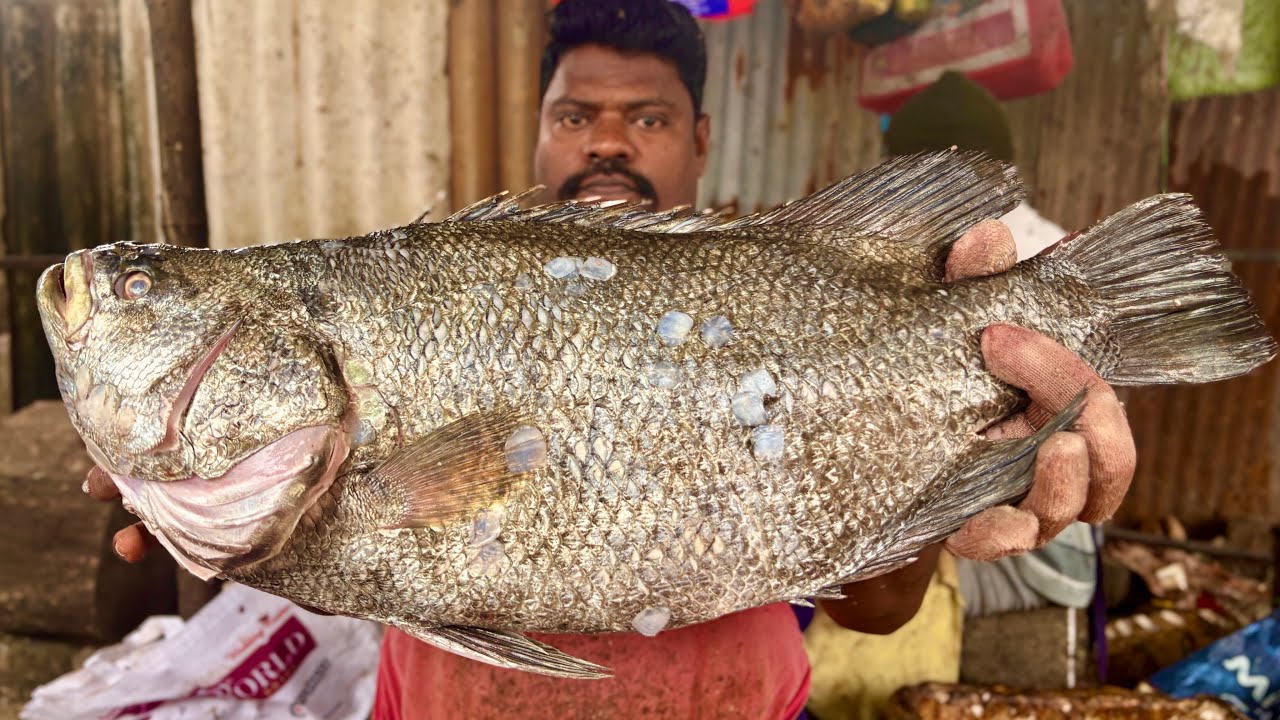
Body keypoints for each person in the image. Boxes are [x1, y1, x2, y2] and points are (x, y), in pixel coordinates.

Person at [89, 1, 1137, 717]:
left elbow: (878, 606)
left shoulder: (789, 287)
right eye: (576, 115)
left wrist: (941, 470)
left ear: (699, 136)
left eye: (645, 117)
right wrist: (198, 491)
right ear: (541, 131)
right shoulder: (422, 284)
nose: (608, 143)